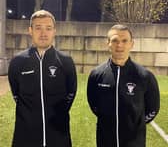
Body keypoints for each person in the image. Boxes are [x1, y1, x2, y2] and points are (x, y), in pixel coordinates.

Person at [8, 10, 77, 147]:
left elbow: (71, 92)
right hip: (26, 137)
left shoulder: (66, 61)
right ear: (30, 30)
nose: (43, 33)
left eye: (48, 28)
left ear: (54, 31)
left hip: (58, 136)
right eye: (38, 28)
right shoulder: (18, 62)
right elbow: (16, 94)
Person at [87, 24, 160, 147]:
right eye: (115, 40)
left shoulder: (145, 76)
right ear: (108, 44)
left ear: (132, 44)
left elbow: (153, 108)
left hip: (134, 142)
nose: (119, 45)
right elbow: (94, 104)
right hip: (105, 141)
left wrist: (135, 124)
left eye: (124, 41)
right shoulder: (97, 74)